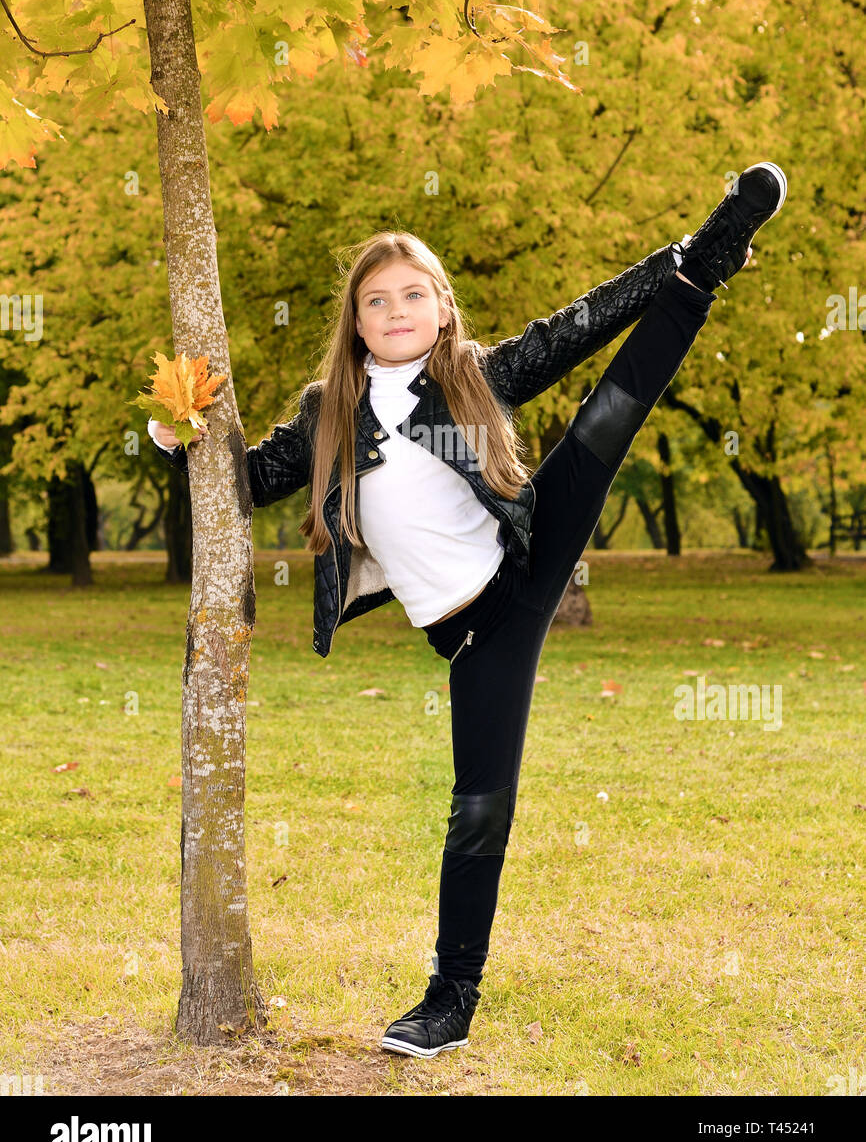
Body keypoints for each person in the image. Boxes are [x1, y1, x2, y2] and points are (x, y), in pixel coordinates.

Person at [149, 162, 787, 1059]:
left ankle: (705, 264)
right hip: (473, 634)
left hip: (522, 565)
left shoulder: (471, 379)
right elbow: (244, 484)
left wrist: (673, 263)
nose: (398, 310)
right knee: (477, 804)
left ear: (443, 309)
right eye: (378, 300)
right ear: (356, 321)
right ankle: (450, 996)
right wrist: (180, 435)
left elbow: (582, 325)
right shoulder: (329, 413)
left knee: (606, 418)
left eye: (416, 294)